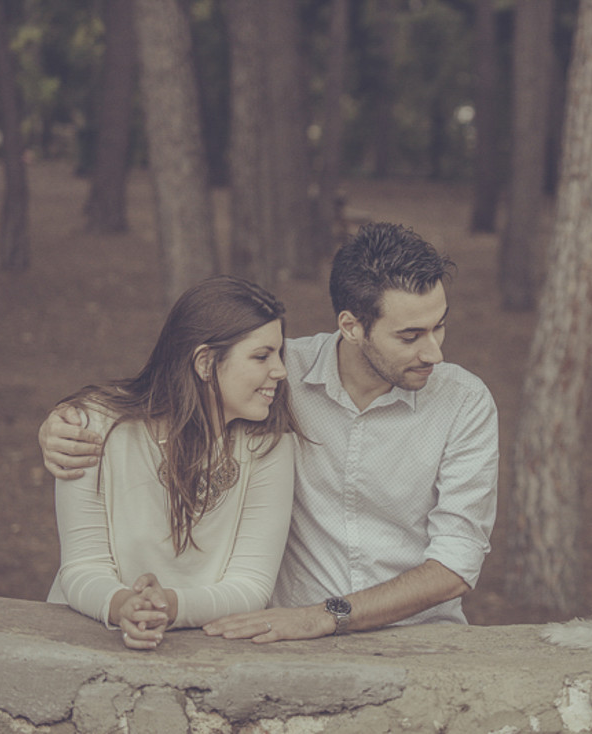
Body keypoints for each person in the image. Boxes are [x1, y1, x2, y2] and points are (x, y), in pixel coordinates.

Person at [40, 222, 499, 642]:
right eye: (410, 336)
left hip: (415, 635)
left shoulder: (464, 402)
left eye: (439, 327)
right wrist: (64, 423)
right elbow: (176, 387)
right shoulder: (276, 378)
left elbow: (456, 564)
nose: (434, 352)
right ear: (352, 327)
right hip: (287, 638)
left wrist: (325, 614)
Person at [45, 275, 299, 649]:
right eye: (262, 356)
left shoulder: (268, 446)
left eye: (279, 354)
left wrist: (165, 606)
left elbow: (251, 586)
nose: (280, 371)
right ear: (205, 361)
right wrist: (123, 607)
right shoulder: (92, 428)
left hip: (206, 652)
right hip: (84, 639)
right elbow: (82, 568)